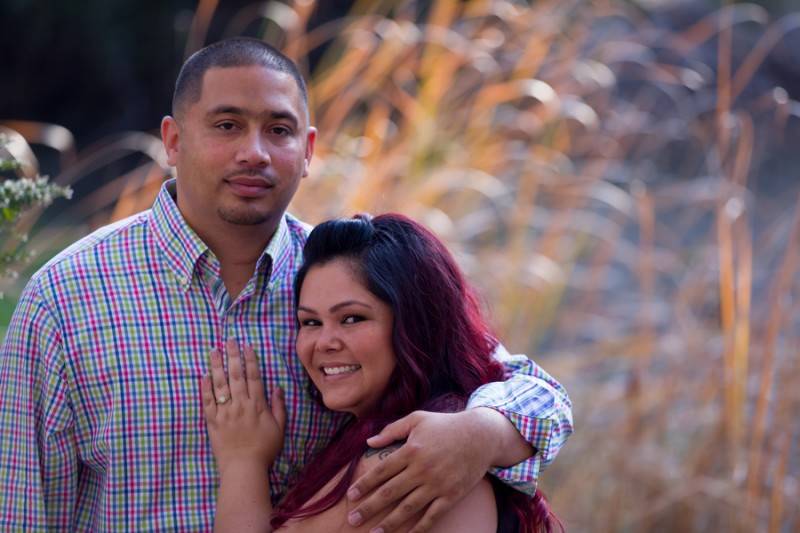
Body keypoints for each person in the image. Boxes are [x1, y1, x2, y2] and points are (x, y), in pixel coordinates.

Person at [0, 37, 572, 531]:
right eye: (227, 126)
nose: (254, 152)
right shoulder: (66, 298)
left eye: (278, 130)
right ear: (173, 141)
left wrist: (481, 432)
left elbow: (527, 388)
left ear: (308, 151)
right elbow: (19, 511)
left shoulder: (341, 275)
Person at [203, 214, 563, 532]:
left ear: (416, 324)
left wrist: (242, 461)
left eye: (352, 318)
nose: (324, 342)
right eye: (310, 322)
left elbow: (545, 391)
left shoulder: (414, 453)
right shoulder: (446, 425)